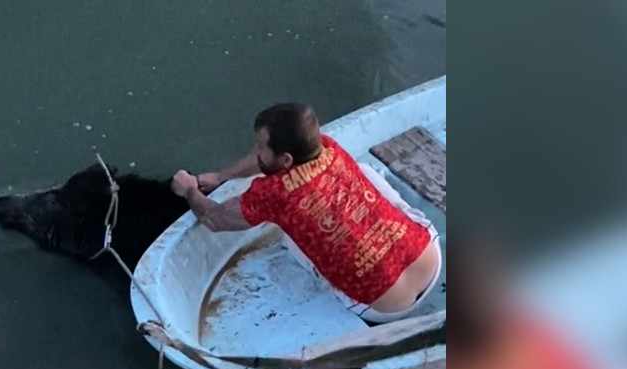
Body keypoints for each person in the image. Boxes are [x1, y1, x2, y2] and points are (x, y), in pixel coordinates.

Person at [169, 102, 442, 323]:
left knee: (289, 236)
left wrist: (190, 191)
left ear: (286, 159)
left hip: (383, 308)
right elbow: (268, 161)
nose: (256, 151)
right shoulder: (327, 147)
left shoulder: (272, 194)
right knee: (365, 172)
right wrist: (220, 176)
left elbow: (214, 219)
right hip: (430, 259)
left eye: (260, 146)